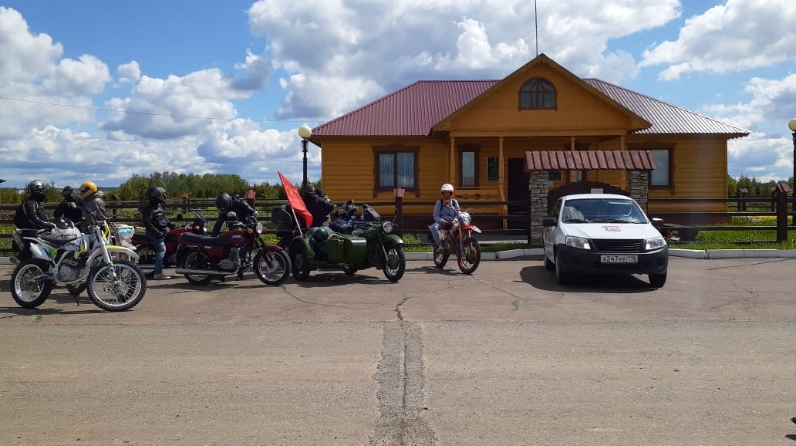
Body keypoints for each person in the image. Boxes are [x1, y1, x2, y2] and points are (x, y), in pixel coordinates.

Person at [11, 179, 57, 264]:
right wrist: (48, 224)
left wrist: (52, 222)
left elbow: (41, 218)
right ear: (37, 191)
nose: (44, 193)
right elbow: (33, 219)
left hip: (35, 231)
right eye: (43, 190)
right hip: (30, 232)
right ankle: (23, 259)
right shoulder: (30, 203)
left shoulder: (36, 203)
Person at [142, 186, 173, 280]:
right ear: (154, 196)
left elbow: (163, 217)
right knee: (162, 249)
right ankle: (158, 273)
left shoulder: (158, 205)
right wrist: (157, 233)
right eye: (159, 195)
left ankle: (171, 258)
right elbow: (147, 223)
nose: (161, 196)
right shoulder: (148, 208)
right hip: (154, 232)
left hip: (164, 229)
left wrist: (171, 224)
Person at [429, 183, 460, 248]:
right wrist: (443, 221)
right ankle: (440, 245)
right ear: (442, 193)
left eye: (448, 193)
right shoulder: (439, 202)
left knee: (462, 227)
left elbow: (458, 213)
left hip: (453, 222)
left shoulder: (454, 202)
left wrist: (454, 221)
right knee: (433, 227)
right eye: (445, 193)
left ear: (451, 193)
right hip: (443, 222)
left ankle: (464, 244)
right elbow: (436, 216)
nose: (446, 194)